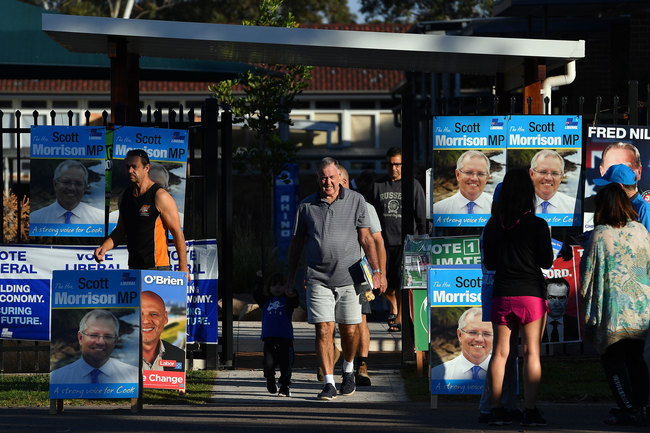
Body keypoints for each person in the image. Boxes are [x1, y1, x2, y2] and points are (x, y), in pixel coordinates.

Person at [285, 157, 383, 400]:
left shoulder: (357, 201)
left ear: (340, 178)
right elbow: (296, 245)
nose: (327, 182)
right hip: (317, 278)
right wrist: (290, 278)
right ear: (317, 178)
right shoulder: (306, 206)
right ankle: (328, 382)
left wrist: (378, 271)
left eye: (331, 177)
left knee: (350, 330)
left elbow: (367, 239)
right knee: (323, 329)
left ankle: (348, 369)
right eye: (323, 177)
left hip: (350, 278)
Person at [483, 169, 554, 427]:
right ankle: (530, 409)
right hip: (531, 294)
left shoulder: (493, 224)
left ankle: (496, 409)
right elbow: (546, 261)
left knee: (500, 353)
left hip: (502, 294)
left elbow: (489, 263)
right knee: (531, 352)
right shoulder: (537, 224)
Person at [580, 183, 650, 426]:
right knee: (636, 359)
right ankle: (641, 405)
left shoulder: (601, 233)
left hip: (613, 312)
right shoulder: (641, 230)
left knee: (613, 360)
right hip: (641, 310)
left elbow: (587, 274)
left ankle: (627, 407)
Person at [94, 148, 188, 273]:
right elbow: (121, 230)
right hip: (134, 268)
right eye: (127, 166)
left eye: (134, 167)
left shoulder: (160, 196)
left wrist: (183, 267)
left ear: (146, 168)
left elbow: (177, 234)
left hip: (157, 268)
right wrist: (104, 248)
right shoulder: (125, 196)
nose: (130, 170)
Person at [371, 147, 426, 333]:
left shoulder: (413, 185)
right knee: (380, 281)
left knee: (403, 282)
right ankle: (393, 305)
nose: (393, 168)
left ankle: (400, 317)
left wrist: (420, 242)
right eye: (390, 164)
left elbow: (421, 218)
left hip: (406, 243)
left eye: (397, 164)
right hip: (382, 243)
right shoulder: (378, 185)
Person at [341, 167, 387, 386]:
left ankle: (362, 365)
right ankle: (333, 363)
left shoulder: (365, 207)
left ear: (349, 182)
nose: (339, 186)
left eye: (343, 181)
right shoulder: (325, 207)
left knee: (361, 319)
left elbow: (377, 241)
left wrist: (381, 273)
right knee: (332, 321)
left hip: (360, 274)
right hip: (334, 273)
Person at [50, 310, 138, 384]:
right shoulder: (58, 377)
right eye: (93, 335)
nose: (100, 342)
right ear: (80, 338)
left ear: (115, 340)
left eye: (108, 336)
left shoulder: (133, 375)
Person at [254, 272, 299, 397]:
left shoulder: (288, 302)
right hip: (269, 339)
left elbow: (295, 301)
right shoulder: (266, 302)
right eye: (274, 285)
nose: (278, 288)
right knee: (268, 364)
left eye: (281, 285)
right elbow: (256, 294)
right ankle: (270, 379)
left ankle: (285, 387)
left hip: (285, 339)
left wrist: (292, 291)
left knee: (287, 365)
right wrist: (259, 280)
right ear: (269, 288)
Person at [30, 159, 103, 224]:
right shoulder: (35, 219)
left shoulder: (100, 219)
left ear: (85, 187)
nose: (72, 188)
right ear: (55, 184)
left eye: (78, 183)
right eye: (66, 182)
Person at [431, 308, 492, 380]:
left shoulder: (506, 373)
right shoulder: (438, 374)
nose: (479, 339)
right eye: (472, 332)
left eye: (487, 334)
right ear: (459, 334)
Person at [592, 163, 650, 232]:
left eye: (608, 186)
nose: (605, 190)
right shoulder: (616, 205)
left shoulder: (644, 209)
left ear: (619, 186)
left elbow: (647, 241)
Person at [433, 150, 493, 214]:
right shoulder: (438, 210)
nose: (474, 178)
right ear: (458, 174)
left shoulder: (499, 209)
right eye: (469, 172)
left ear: (487, 177)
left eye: (480, 173)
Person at [141, 290, 185, 371]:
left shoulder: (180, 356)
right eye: (140, 314)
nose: (146, 321)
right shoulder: (115, 357)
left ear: (165, 318)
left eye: (154, 314)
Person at [529, 149, 576, 214]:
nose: (548, 178)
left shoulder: (574, 207)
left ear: (561, 177)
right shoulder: (515, 207)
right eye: (543, 172)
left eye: (554, 173)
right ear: (532, 173)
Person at [542, 278, 579, 343]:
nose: (557, 303)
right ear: (544, 299)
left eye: (561, 298)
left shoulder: (576, 324)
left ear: (567, 300)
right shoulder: (536, 324)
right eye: (551, 298)